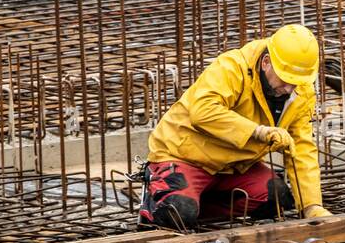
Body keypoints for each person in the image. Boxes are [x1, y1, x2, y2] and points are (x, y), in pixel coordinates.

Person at [138, 24, 332, 229]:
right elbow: (202, 111)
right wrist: (257, 131)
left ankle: (194, 202)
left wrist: (311, 205)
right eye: (286, 80)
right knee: (178, 212)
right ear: (266, 62)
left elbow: (301, 148)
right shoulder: (232, 67)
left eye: (296, 83)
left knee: (276, 197)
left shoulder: (300, 90)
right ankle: (167, 202)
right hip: (184, 157)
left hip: (233, 168)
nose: (289, 88)